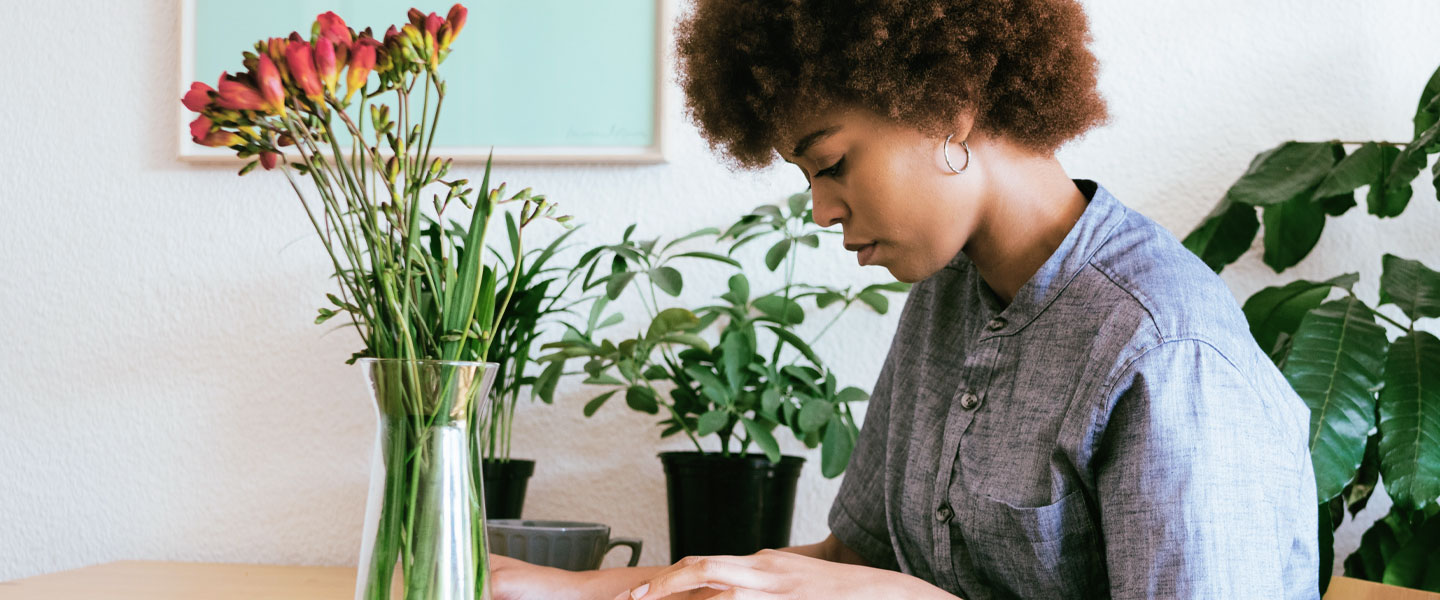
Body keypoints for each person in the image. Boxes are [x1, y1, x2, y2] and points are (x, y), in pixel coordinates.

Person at [491, 0, 1320, 598]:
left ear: (947, 107)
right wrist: (575, 590)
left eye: (833, 163)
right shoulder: (949, 299)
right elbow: (854, 560)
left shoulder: (1166, 354)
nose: (819, 209)